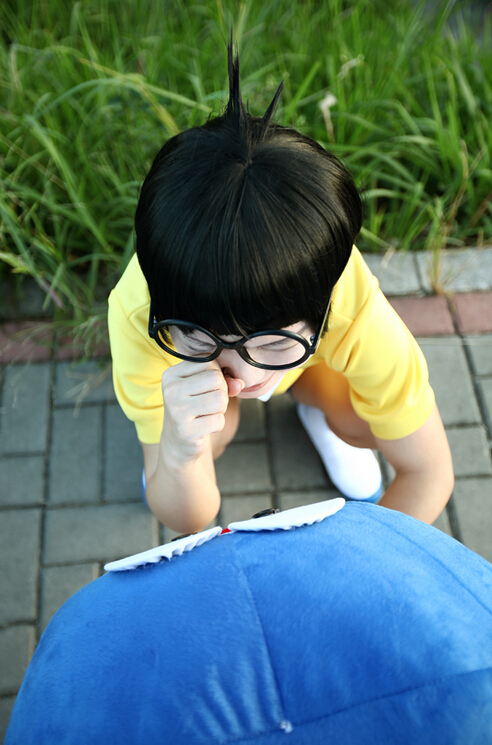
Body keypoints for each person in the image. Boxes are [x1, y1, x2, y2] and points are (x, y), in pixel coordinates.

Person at [108, 42, 454, 533]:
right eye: (201, 340)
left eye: (273, 342)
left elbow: (430, 471)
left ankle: (321, 414)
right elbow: (188, 520)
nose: (245, 375)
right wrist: (181, 453)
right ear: (161, 310)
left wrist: (340, 567)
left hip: (311, 372)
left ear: (325, 304)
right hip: (205, 388)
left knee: (361, 420)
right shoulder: (137, 315)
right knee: (212, 433)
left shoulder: (348, 299)